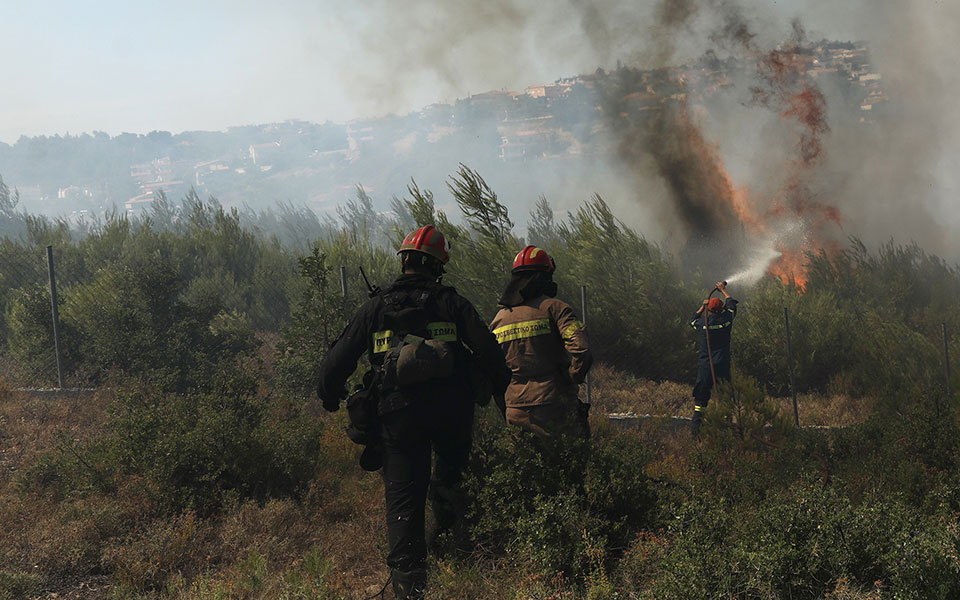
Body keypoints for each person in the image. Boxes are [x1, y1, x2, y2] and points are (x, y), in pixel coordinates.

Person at [317, 225, 511, 600]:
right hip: (452, 412)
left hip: (397, 417)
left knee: (404, 498)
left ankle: (411, 587)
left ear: (404, 261)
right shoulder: (452, 303)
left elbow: (334, 367)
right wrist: (500, 393)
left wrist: (330, 395)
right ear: (438, 266)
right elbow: (492, 355)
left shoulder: (375, 308)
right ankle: (455, 551)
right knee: (452, 481)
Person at [490, 245, 593, 439]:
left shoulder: (499, 319)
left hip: (515, 410)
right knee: (568, 464)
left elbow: (491, 368)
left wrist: (507, 403)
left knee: (524, 466)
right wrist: (573, 376)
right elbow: (581, 349)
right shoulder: (556, 308)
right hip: (555, 406)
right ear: (544, 278)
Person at [689, 280, 738, 433]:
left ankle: (696, 433)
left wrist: (703, 306)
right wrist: (723, 290)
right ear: (722, 309)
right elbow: (731, 304)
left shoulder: (703, 324)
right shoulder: (726, 321)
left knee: (700, 402)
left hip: (705, 367)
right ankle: (726, 431)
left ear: (709, 310)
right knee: (725, 398)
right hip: (722, 366)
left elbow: (691, 320)